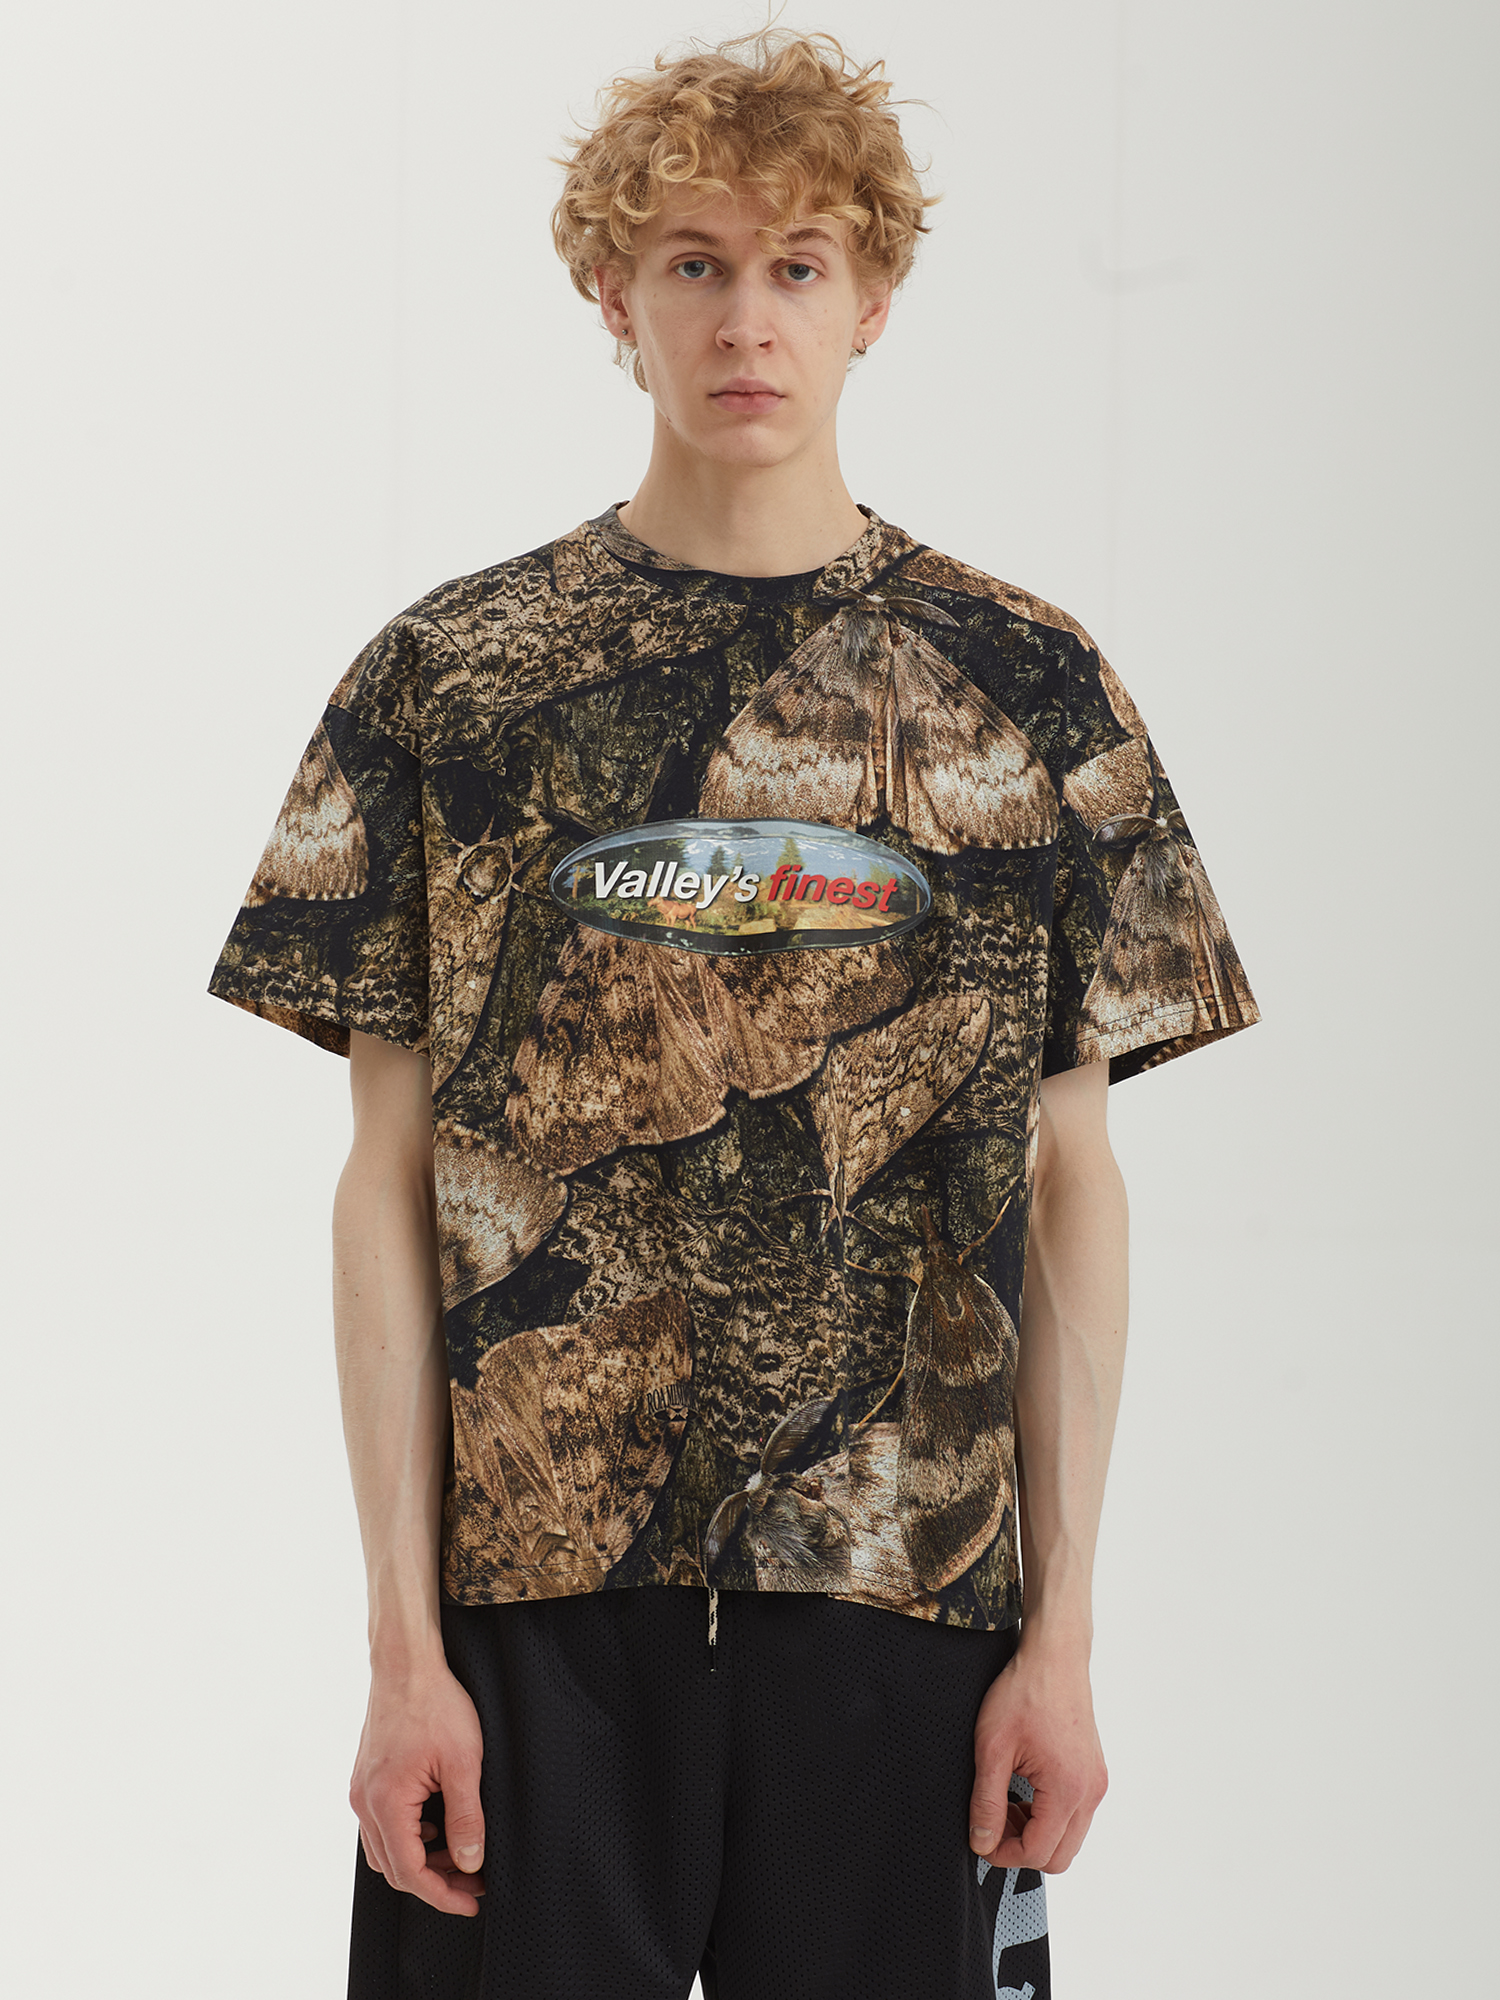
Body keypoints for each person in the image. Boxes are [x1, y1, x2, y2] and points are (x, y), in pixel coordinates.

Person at [209, 28, 1258, 2000]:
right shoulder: (449, 682)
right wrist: (403, 1648)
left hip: (905, 1600)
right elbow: (385, 1181)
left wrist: (1063, 1635)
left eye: (796, 263)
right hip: (533, 1613)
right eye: (692, 263)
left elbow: (1075, 1186)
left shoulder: (1029, 688)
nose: (746, 319)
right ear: (613, 297)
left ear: (877, 299)